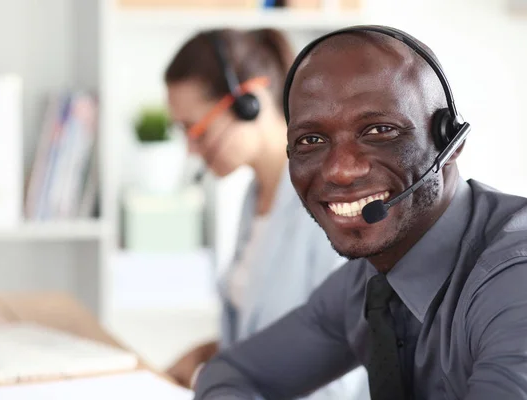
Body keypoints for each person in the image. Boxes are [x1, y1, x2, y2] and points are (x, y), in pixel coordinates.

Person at [193, 25, 527, 400]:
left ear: (449, 141)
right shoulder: (366, 285)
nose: (340, 169)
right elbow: (232, 373)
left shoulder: (514, 282)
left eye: (380, 130)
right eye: (311, 140)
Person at [163, 28, 368, 399]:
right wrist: (206, 354)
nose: (192, 150)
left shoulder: (332, 203)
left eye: (197, 130)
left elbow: (338, 368)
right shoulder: (254, 196)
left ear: (249, 101)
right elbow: (265, 337)